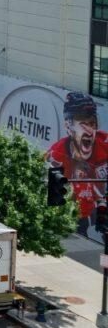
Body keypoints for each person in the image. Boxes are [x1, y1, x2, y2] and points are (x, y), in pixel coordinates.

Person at [46, 91, 108, 238]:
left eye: (92, 123)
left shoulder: (105, 144)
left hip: (100, 211)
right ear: (68, 126)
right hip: (77, 215)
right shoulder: (56, 154)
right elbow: (54, 198)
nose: (89, 130)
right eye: (82, 123)